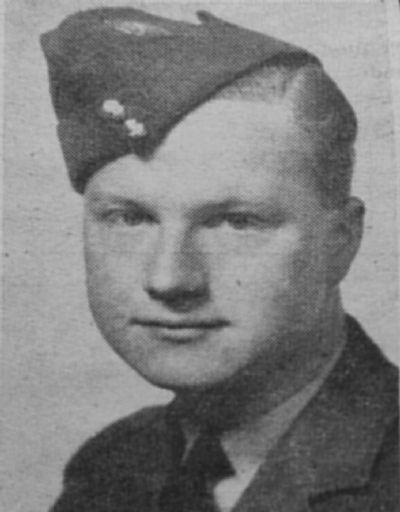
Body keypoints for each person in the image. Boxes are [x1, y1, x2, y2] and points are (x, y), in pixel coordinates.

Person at [41, 7, 398, 512]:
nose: (169, 278)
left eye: (236, 222)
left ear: (341, 241)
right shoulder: (112, 467)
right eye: (130, 218)